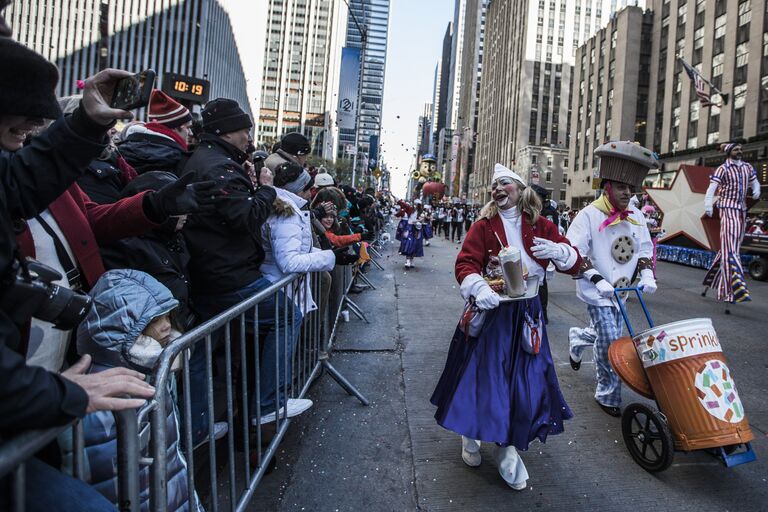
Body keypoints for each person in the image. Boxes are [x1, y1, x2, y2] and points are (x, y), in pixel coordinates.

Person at [0, 34, 154, 512]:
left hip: (45, 371)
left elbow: (28, 184)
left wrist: (87, 122)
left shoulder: (22, 168)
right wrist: (59, 394)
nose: (34, 124)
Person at [430, 163, 579, 490]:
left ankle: (507, 448)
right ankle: (472, 434)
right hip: (494, 314)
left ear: (521, 189)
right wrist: (479, 287)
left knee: (525, 384)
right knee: (486, 380)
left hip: (528, 315)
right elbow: (465, 263)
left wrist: (559, 251)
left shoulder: (541, 225)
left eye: (505, 184)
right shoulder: (483, 226)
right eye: (494, 185)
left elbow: (576, 261)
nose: (497, 190)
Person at [181, 98, 283, 443]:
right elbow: (245, 218)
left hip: (208, 273)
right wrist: (266, 189)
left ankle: (194, 428)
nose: (248, 137)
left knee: (209, 349)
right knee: (285, 314)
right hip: (228, 276)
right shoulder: (218, 167)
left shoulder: (213, 161)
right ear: (225, 130)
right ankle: (269, 404)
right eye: (244, 130)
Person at [70, 269, 200, 511]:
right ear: (119, 328)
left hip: (170, 492)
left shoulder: (156, 370)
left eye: (167, 316)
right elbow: (102, 477)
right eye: (152, 320)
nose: (166, 327)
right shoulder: (94, 395)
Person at [565, 141, 658, 417]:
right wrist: (595, 278)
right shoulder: (588, 215)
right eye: (621, 187)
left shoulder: (637, 215)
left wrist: (647, 272)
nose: (627, 192)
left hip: (623, 292)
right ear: (607, 187)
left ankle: (577, 338)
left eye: (631, 188)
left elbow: (644, 248)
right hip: (597, 292)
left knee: (607, 332)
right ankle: (608, 394)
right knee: (610, 340)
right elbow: (573, 252)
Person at [255, 161, 338, 424]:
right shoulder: (286, 212)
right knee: (282, 335)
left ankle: (276, 399)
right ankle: (272, 403)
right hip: (279, 285)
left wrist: (328, 255)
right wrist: (328, 259)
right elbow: (289, 261)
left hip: (282, 285)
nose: (312, 193)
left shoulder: (287, 207)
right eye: (308, 188)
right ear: (299, 189)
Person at [100, 171, 196, 330]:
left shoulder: (172, 236)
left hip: (179, 328)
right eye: (178, 205)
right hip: (156, 338)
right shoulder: (127, 248)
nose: (187, 213)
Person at [702, 142, 761, 312]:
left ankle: (712, 280)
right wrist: (708, 204)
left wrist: (756, 189)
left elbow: (754, 182)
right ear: (729, 152)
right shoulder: (723, 169)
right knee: (731, 249)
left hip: (741, 210)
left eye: (741, 149)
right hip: (727, 209)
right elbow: (711, 188)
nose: (740, 152)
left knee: (730, 246)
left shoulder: (747, 167)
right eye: (736, 149)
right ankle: (730, 290)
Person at [117, 89, 192, 175]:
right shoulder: (178, 159)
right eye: (188, 128)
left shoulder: (122, 149)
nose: (190, 133)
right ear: (175, 127)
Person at [397, 199, 427, 269]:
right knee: (408, 244)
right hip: (409, 228)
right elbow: (402, 204)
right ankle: (407, 261)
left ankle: (411, 260)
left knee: (415, 245)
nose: (415, 205)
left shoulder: (421, 212)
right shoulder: (410, 209)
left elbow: (422, 220)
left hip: (417, 229)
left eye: (417, 204)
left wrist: (419, 221)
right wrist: (399, 201)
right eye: (415, 203)